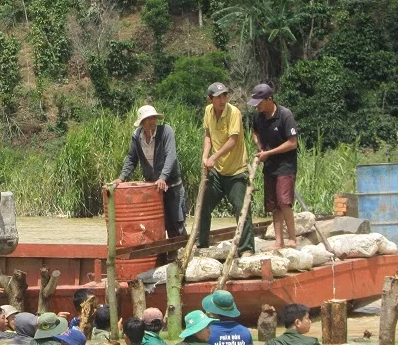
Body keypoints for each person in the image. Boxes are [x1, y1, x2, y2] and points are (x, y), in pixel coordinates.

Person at [112, 104, 187, 238]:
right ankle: (166, 255)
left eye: (154, 118)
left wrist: (163, 177)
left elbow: (171, 156)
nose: (152, 121)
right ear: (142, 123)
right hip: (154, 189)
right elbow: (131, 158)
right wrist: (122, 177)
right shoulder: (137, 137)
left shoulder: (166, 132)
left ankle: (181, 253)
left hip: (172, 186)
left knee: (177, 224)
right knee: (157, 224)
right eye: (148, 119)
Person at [199, 82, 255, 257]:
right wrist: (205, 156)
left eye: (224, 96)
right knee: (203, 204)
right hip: (218, 171)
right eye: (218, 97)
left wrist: (214, 157)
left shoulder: (234, 113)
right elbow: (208, 135)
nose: (222, 100)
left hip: (236, 170)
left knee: (241, 207)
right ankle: (202, 243)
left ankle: (246, 249)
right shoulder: (208, 111)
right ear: (210, 99)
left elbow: (233, 141)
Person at [248, 83, 299, 249]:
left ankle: (292, 238)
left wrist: (269, 153)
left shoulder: (285, 115)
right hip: (269, 165)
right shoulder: (259, 116)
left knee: (284, 202)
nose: (257, 107)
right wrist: (259, 145)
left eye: (260, 102)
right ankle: (279, 241)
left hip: (285, 165)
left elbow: (292, 143)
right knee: (274, 205)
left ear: (269, 99)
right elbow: (254, 133)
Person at [263, 303, 328, 345]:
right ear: (297, 322)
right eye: (307, 318)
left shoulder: (270, 344)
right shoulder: (312, 344)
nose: (310, 321)